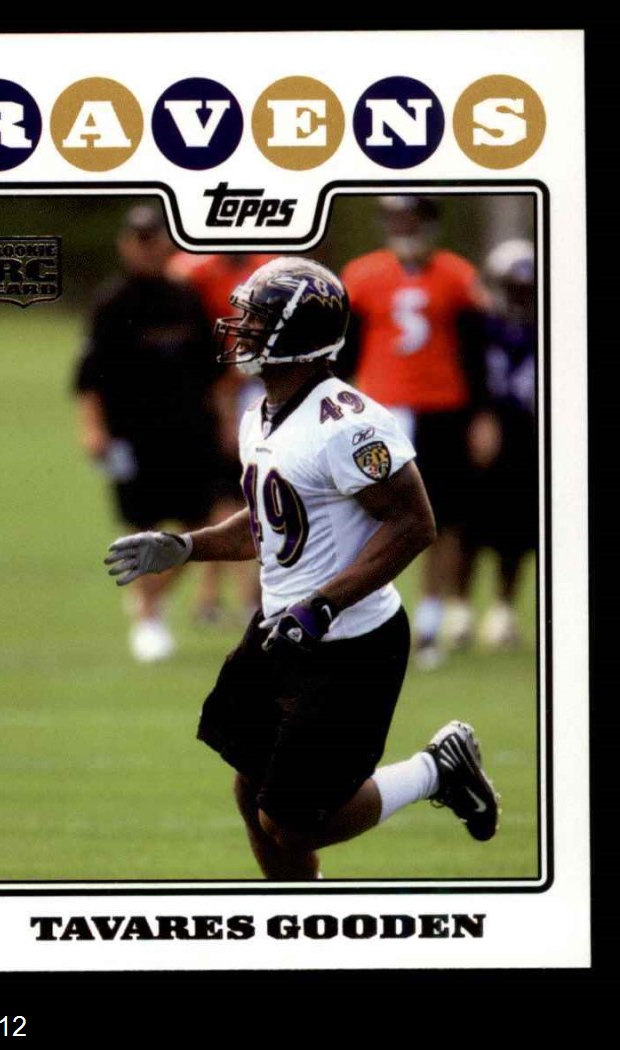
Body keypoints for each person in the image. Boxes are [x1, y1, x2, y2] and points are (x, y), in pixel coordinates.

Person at [104, 257, 500, 880]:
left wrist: (323, 605)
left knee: (293, 820)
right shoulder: (259, 412)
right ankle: (299, 912)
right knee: (250, 788)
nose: (240, 328)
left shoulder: (346, 424)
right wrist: (186, 548)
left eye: (257, 320)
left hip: (349, 645)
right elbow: (273, 523)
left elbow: (413, 523)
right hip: (281, 629)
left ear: (298, 335)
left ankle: (437, 770)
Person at [338, 196, 491, 668]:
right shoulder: (363, 275)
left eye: (410, 218)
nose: (402, 227)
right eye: (395, 218)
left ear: (428, 223)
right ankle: (361, 615)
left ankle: (428, 621)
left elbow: (476, 352)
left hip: (442, 410)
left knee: (442, 519)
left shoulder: (458, 276)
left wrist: (482, 415)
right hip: (379, 411)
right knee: (359, 516)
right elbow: (343, 353)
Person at [74, 203, 219, 662]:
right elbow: (89, 375)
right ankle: (149, 619)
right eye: (139, 240)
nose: (147, 249)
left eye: (154, 240)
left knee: (200, 527)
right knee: (142, 529)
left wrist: (225, 421)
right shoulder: (111, 303)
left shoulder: (187, 298)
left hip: (189, 432)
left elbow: (211, 370)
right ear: (125, 245)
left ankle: (149, 598)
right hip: (133, 435)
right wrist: (93, 428)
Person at [167, 252, 276, 622]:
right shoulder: (192, 271)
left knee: (239, 494)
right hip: (213, 393)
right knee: (226, 496)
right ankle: (229, 595)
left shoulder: (268, 266)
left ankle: (224, 595)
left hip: (254, 386)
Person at [465, 238, 537, 647]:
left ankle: (503, 611)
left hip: (526, 435)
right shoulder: (478, 326)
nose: (520, 297)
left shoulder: (544, 328)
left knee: (519, 528)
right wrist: (479, 416)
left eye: (526, 290)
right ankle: (459, 608)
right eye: (514, 289)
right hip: (483, 430)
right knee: (471, 524)